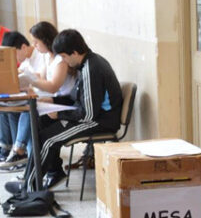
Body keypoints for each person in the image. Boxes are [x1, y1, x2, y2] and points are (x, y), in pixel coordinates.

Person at [7, 28, 122, 192]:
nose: (64, 62)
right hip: (91, 116)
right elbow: (78, 98)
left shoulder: (91, 69)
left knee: (49, 140)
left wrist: (60, 114)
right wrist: (53, 101)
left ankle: (29, 187)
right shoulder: (86, 64)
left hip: (100, 122)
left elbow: (88, 114)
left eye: (64, 57)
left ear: (74, 53)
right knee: (41, 123)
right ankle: (40, 177)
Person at [0, 21, 76, 172]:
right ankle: (27, 161)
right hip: (54, 99)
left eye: (36, 42)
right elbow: (41, 77)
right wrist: (26, 82)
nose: (34, 45)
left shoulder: (60, 60)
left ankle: (22, 153)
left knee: (31, 109)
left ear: (46, 40)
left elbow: (53, 86)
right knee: (28, 106)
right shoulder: (48, 56)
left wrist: (32, 81)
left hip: (65, 102)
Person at [0, 30, 45, 160]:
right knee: (7, 106)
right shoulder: (25, 61)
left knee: (21, 109)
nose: (13, 59)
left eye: (14, 55)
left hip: (42, 99)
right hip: (31, 97)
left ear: (23, 47)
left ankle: (19, 151)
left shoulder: (41, 57)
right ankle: (9, 148)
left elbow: (43, 82)